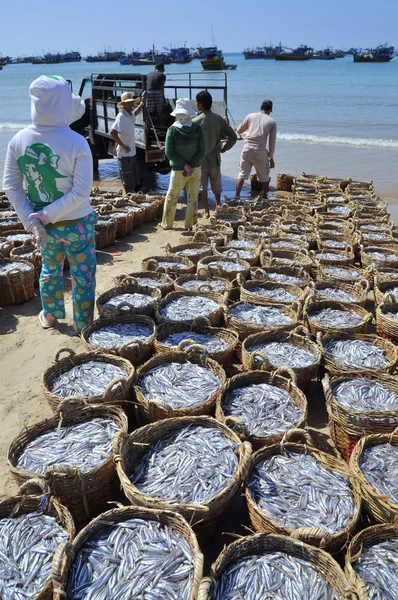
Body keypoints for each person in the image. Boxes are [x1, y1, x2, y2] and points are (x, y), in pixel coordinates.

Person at [3, 75, 96, 333]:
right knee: (83, 275)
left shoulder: (18, 140)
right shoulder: (77, 142)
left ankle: (51, 316)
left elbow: (11, 186)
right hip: (77, 224)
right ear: (63, 102)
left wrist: (33, 219)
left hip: (44, 230)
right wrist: (44, 216)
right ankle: (83, 322)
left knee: (50, 271)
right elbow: (81, 193)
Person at [161, 98, 206, 231]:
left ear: (177, 114)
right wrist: (191, 165)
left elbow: (169, 152)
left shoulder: (172, 130)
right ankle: (190, 224)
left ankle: (167, 224)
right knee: (192, 198)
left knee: (172, 197)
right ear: (189, 114)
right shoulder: (197, 129)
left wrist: (185, 165)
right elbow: (202, 150)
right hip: (195, 170)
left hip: (179, 171)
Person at [193, 91, 237, 218]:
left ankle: (206, 210)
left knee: (203, 187)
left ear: (200, 105)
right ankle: (218, 206)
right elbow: (233, 136)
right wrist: (224, 148)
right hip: (215, 159)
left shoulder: (195, 121)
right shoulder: (219, 119)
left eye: (197, 103)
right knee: (216, 185)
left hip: (200, 161)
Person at [235, 99, 277, 198]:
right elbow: (272, 142)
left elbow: (240, 130)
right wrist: (271, 157)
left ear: (261, 108)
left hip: (247, 149)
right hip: (260, 151)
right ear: (270, 110)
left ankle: (237, 196)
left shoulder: (250, 116)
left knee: (241, 174)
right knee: (264, 176)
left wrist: (236, 128)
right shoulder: (272, 122)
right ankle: (265, 196)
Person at [110, 92, 145, 193]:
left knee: (134, 181)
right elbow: (113, 132)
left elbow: (135, 113)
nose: (131, 105)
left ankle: (131, 200)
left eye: (132, 102)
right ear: (123, 104)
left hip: (131, 154)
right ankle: (128, 202)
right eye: (129, 103)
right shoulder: (121, 116)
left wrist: (141, 104)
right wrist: (123, 146)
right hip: (125, 155)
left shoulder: (129, 114)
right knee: (128, 183)